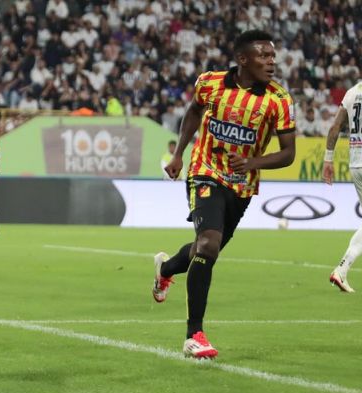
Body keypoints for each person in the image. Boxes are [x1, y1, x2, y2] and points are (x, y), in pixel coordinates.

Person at [152, 30, 296, 359]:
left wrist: (252, 162)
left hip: (241, 185)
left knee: (208, 249)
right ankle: (194, 335)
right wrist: (179, 155)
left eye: (273, 56)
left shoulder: (279, 100)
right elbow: (192, 113)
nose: (271, 62)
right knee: (208, 243)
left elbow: (288, 153)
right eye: (264, 56)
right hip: (205, 171)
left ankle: (165, 270)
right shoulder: (210, 82)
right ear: (243, 59)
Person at [323, 80, 362, 293]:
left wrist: (328, 159)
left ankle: (342, 271)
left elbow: (335, 126)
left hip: (356, 164)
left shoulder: (352, 93)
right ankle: (341, 269)